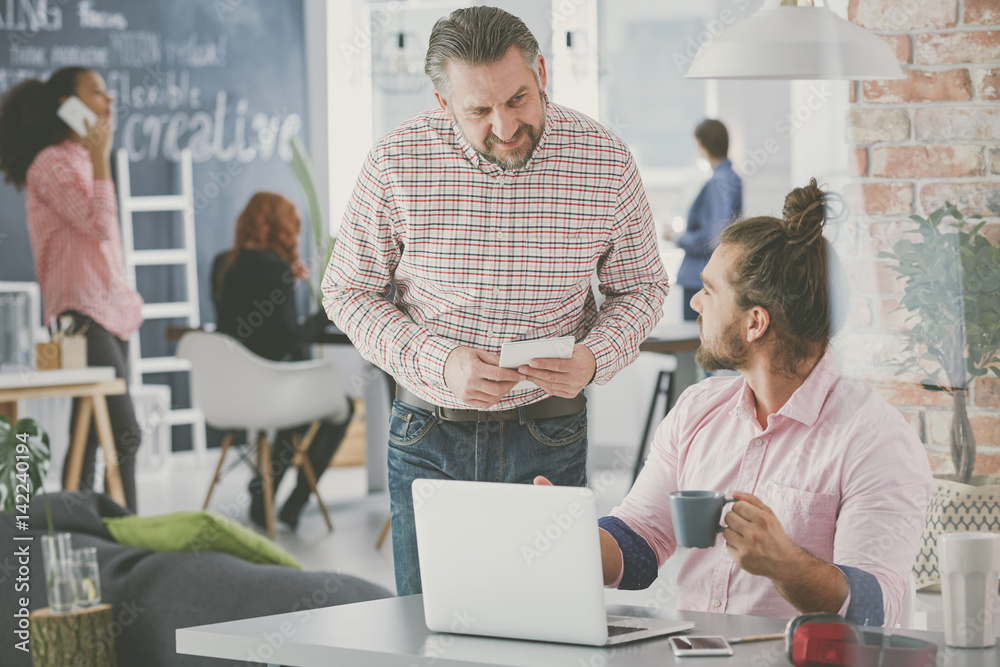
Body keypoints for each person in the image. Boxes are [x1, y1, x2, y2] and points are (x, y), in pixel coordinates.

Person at [323, 6, 670, 595]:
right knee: (426, 635)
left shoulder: (605, 160)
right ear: (442, 105)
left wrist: (593, 359)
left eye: (518, 99)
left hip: (548, 437)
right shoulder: (395, 162)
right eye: (479, 112)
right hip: (426, 434)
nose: (506, 126)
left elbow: (642, 287)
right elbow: (347, 290)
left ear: (540, 72)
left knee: (545, 626)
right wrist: (438, 362)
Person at [542, 179, 932, 627]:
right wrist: (569, 541)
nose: (694, 301)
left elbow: (877, 607)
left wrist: (787, 564)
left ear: (755, 323)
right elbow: (641, 541)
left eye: (709, 290)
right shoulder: (697, 409)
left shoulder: (874, 440)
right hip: (695, 657)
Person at [0, 67, 145, 511]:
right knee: (122, 432)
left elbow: (104, 247)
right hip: (80, 315)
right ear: (69, 104)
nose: (110, 100)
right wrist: (102, 156)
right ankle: (128, 534)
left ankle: (77, 532)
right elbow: (99, 224)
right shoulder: (52, 163)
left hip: (111, 311)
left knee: (89, 431)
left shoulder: (81, 160)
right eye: (96, 92)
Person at [212, 191, 353, 530]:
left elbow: (245, 325)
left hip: (232, 391)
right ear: (279, 228)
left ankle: (265, 491)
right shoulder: (276, 270)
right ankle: (295, 501)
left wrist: (287, 283)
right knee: (340, 409)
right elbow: (288, 338)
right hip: (273, 392)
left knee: (299, 410)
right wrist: (326, 312)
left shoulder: (223, 264)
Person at [674, 119, 742, 322]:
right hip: (709, 279)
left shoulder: (720, 181)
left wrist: (679, 238)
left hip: (700, 280)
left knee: (693, 348)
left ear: (700, 144)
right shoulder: (731, 178)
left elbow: (715, 238)